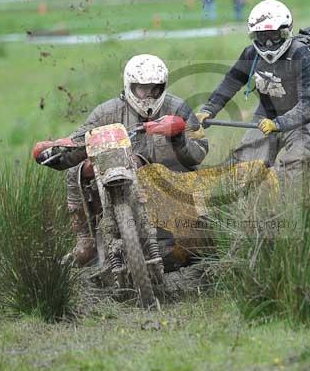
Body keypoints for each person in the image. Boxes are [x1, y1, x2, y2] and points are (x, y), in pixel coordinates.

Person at [63, 54, 208, 265]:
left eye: (155, 89)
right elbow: (78, 144)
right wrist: (56, 152)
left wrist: (178, 137)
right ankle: (86, 240)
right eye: (142, 89)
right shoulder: (106, 113)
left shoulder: (177, 108)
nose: (148, 95)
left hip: (173, 194)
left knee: (194, 250)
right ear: (129, 86)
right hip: (121, 192)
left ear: (163, 86)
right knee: (76, 172)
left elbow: (200, 152)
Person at [196, 0, 310, 180]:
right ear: (254, 36)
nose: (270, 43)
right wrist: (209, 109)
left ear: (286, 31)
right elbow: (231, 81)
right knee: (242, 168)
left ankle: (284, 202)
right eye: (263, 36)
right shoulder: (251, 54)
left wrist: (279, 124)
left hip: (303, 120)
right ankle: (246, 204)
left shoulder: (302, 54)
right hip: (266, 116)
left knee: (296, 163)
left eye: (274, 35)